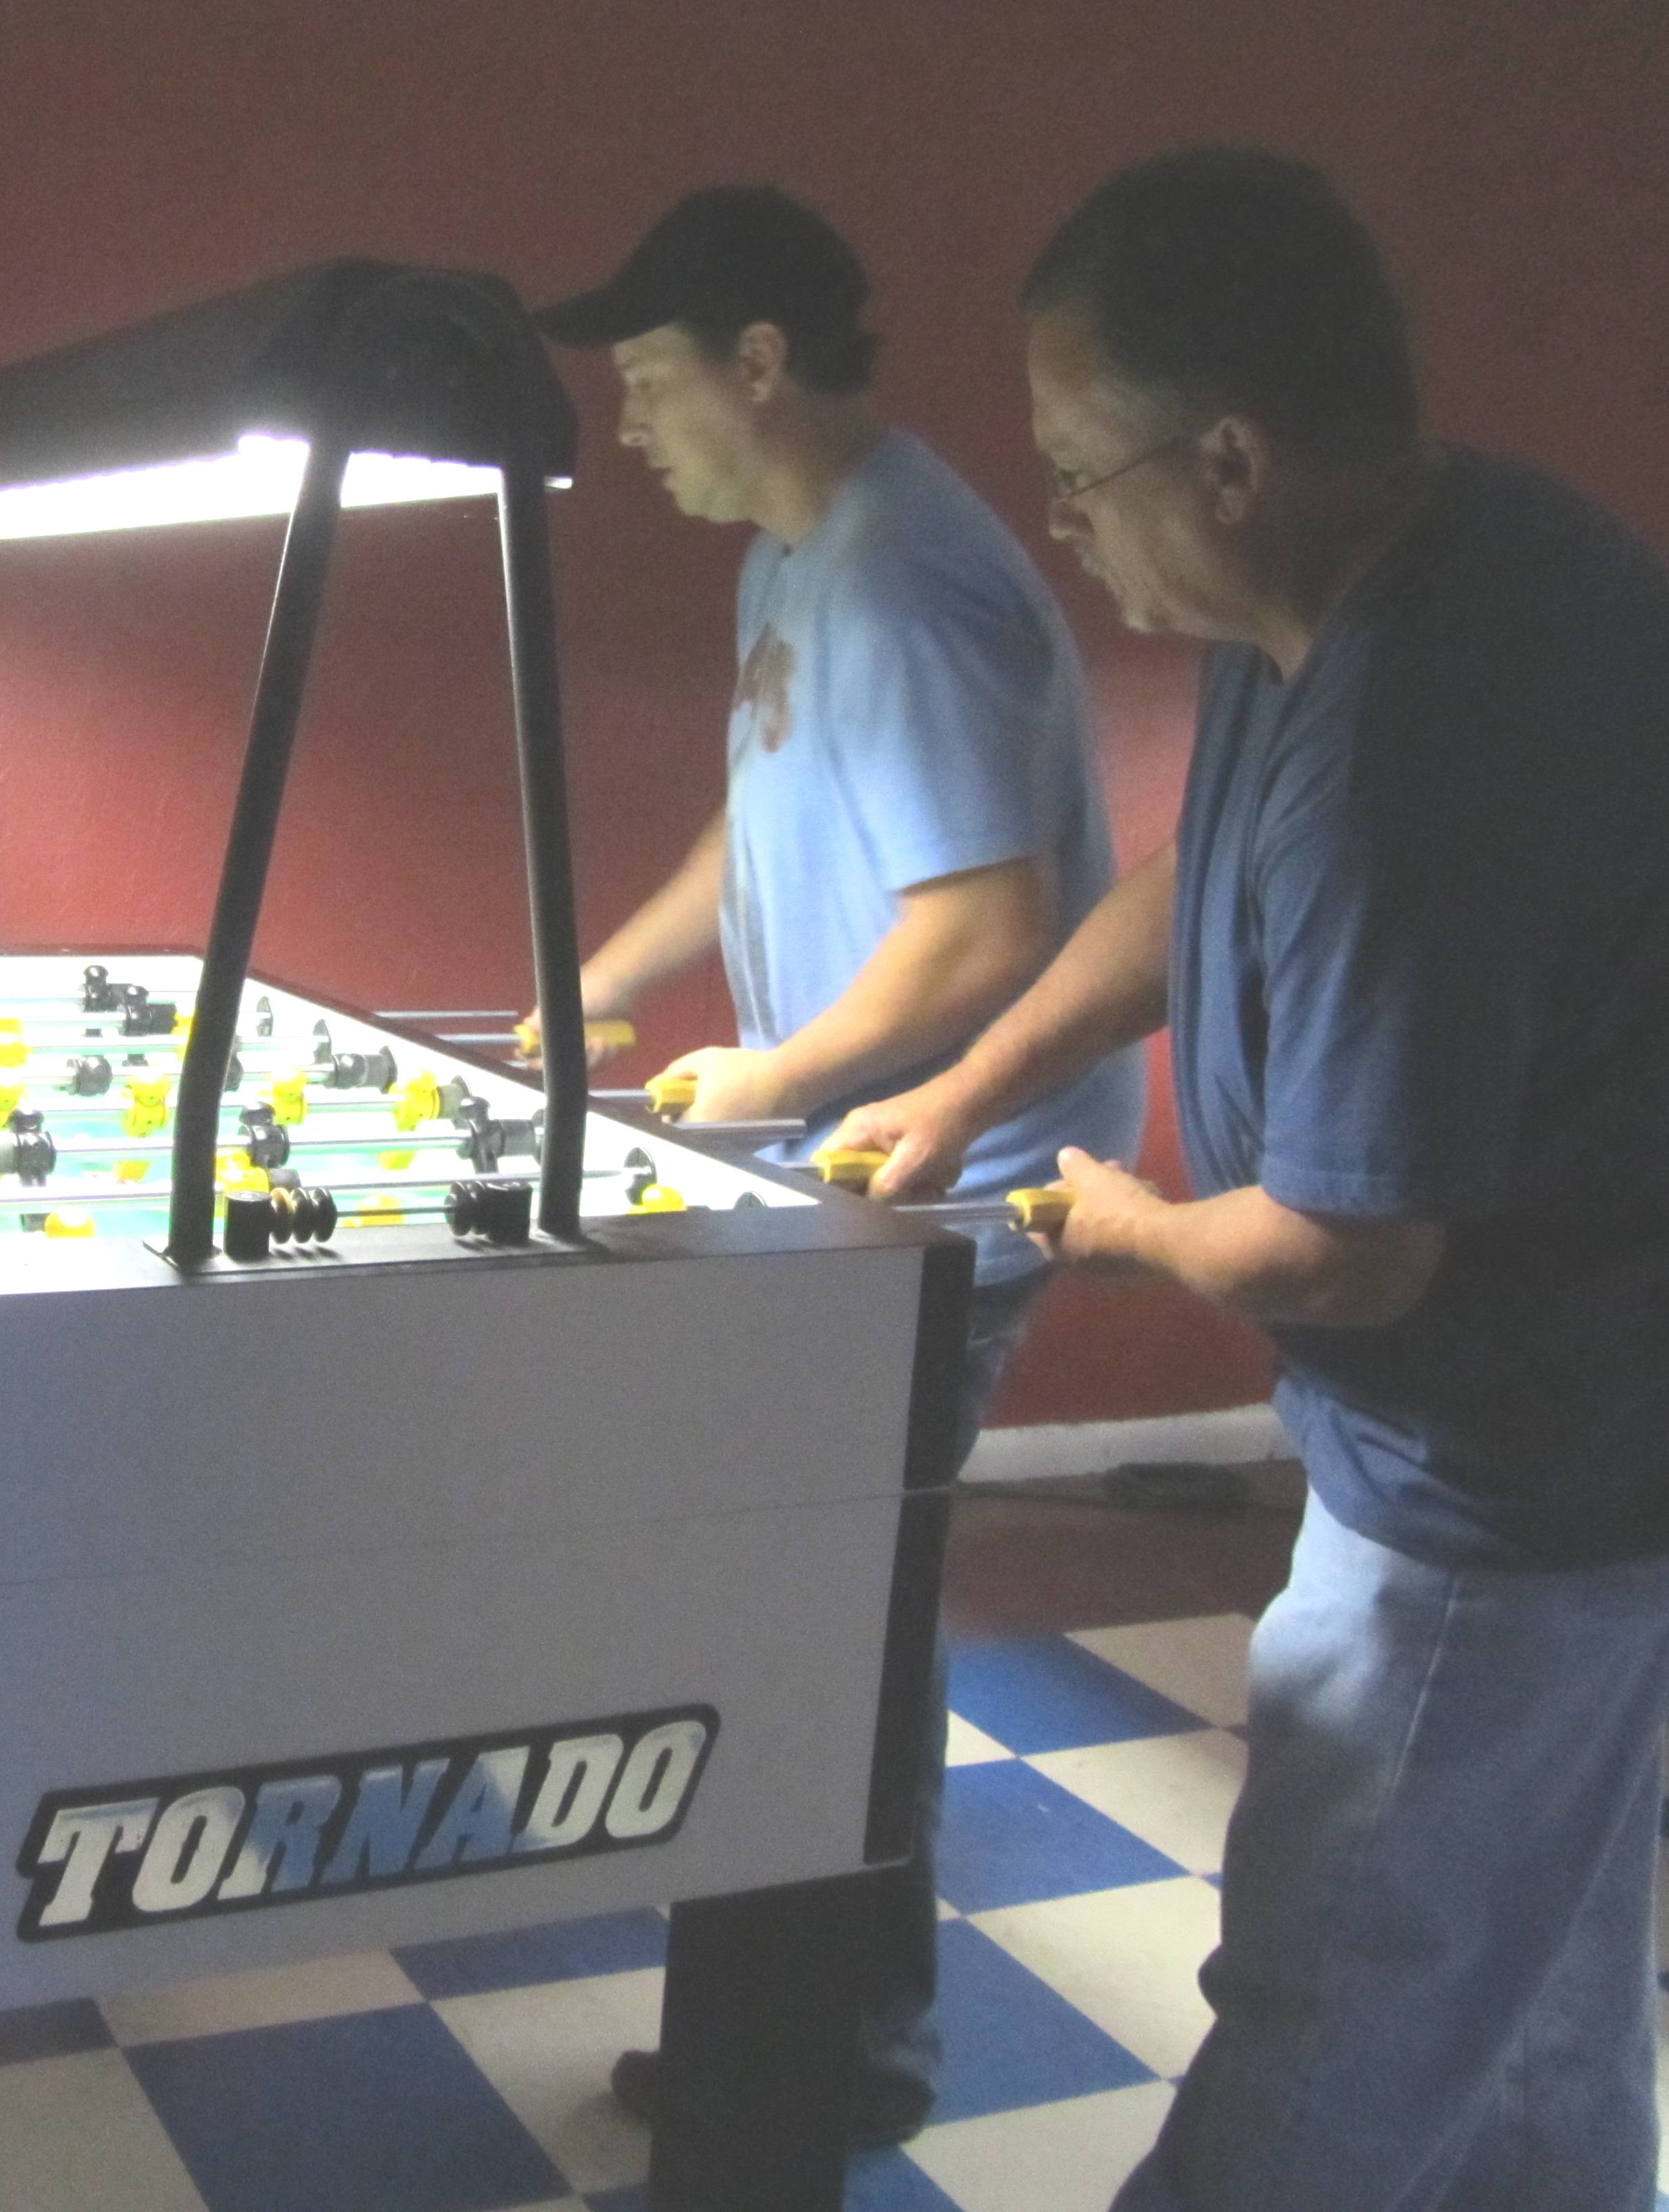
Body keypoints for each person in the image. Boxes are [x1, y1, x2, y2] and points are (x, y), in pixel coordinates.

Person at [839, 146, 1669, 2209]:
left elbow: (1346, 1250)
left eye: (1075, 473)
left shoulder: (1422, 728)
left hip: (1507, 1488)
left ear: (1224, 458)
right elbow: (1190, 875)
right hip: (1579, 1451)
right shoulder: (1373, 563)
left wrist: (1115, 1222)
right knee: (1542, 1991)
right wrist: (982, 1077)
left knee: (1341, 1994)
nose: (1064, 524)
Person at [525, 184, 1145, 2145]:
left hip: (961, 1177)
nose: (628, 427)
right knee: (804, 1602)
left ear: (759, 367)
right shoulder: (794, 552)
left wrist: (770, 1071)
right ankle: (785, 2037)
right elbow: (758, 807)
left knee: (823, 1616)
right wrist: (599, 982)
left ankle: (817, 2062)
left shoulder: (903, 570)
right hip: (847, 1158)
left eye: (647, 381)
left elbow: (984, 925)